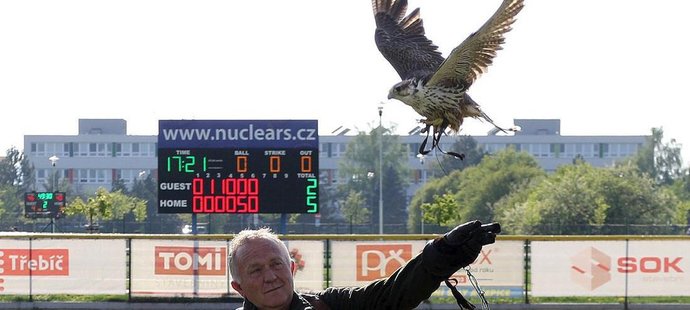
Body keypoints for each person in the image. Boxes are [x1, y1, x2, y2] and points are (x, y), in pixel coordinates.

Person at [229, 220, 500, 310]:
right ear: (238, 288)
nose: (271, 276)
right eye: (256, 269)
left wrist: (443, 253)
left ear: (291, 268)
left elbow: (392, 295)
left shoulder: (330, 304)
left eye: (276, 264)